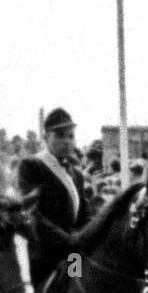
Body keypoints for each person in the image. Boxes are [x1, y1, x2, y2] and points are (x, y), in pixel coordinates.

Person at [16, 107, 91, 277]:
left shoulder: (76, 173)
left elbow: (84, 214)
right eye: (60, 135)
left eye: (71, 136)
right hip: (43, 252)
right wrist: (67, 239)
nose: (67, 141)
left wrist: (88, 234)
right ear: (45, 137)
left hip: (72, 252)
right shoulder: (31, 165)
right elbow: (32, 213)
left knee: (76, 290)